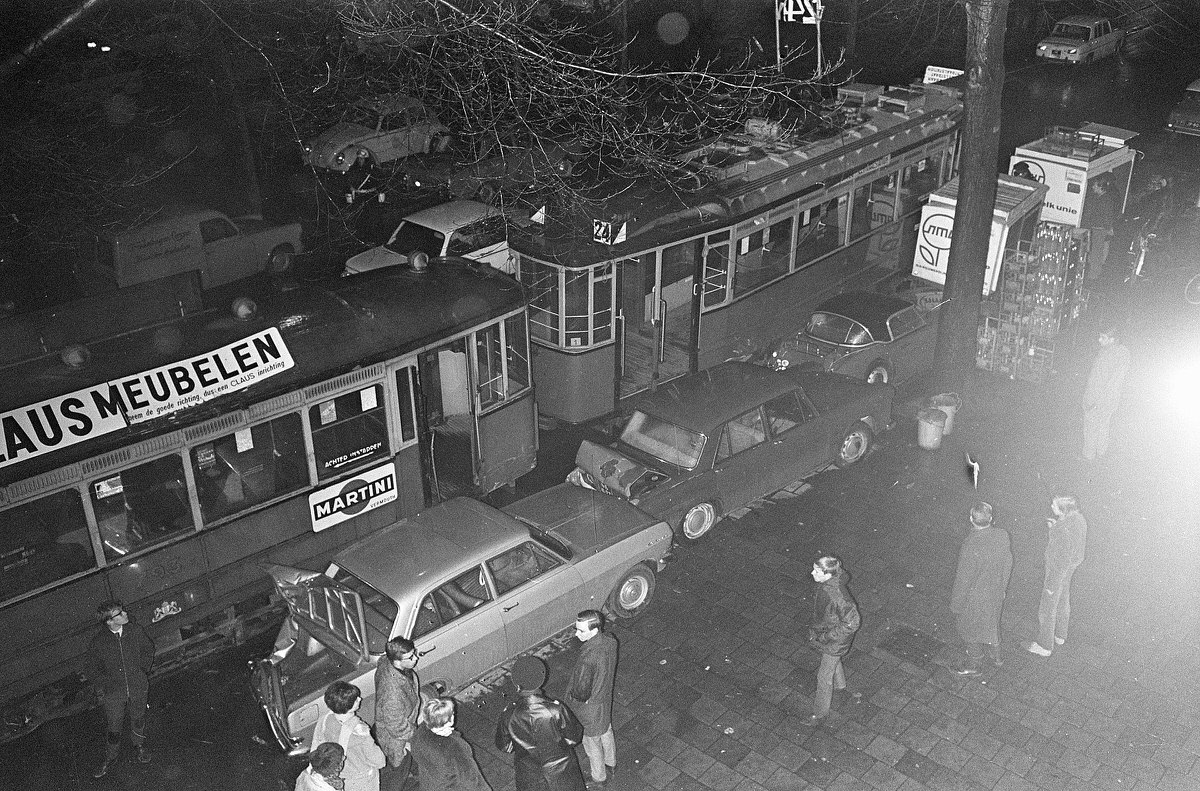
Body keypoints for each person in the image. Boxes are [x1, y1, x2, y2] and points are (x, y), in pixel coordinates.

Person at [495, 655, 586, 791]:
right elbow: (574, 736)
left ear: (517, 684)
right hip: (563, 772)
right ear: (541, 680)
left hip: (529, 776)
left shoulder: (509, 714)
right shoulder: (555, 709)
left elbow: (504, 746)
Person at [85, 599, 155, 778]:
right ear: (109, 621)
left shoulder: (135, 630)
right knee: (114, 726)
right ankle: (111, 757)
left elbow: (149, 649)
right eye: (120, 614)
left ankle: (139, 745)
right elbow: (92, 670)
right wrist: (107, 684)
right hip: (114, 693)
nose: (125, 614)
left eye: (123, 611)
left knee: (138, 718)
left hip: (138, 685)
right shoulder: (99, 642)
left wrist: (142, 671)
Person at [949, 502, 1013, 675]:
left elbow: (964, 579)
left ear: (971, 520)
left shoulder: (971, 545)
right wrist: (1003, 587)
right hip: (996, 591)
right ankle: (997, 657)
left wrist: (956, 604)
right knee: (991, 624)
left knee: (968, 628)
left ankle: (974, 664)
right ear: (991, 518)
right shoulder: (1002, 535)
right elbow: (1008, 563)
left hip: (976, 596)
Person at [1027, 494, 1088, 657]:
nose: (1051, 506)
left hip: (1057, 573)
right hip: (1070, 569)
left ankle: (1044, 645)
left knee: (1047, 607)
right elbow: (1072, 544)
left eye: (1055, 505)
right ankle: (1060, 635)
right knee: (1063, 601)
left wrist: (1051, 586)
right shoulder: (1078, 519)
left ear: (1063, 509)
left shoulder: (1062, 529)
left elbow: (1060, 556)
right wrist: (1056, 526)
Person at [806, 555, 861, 724]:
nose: (812, 573)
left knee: (823, 677)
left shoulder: (837, 595)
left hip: (835, 639)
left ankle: (820, 713)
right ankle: (841, 686)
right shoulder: (829, 585)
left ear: (828, 575)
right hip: (831, 635)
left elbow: (852, 622)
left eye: (817, 571)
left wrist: (826, 636)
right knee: (832, 660)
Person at [566, 610, 618, 787]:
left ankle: (599, 778)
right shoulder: (610, 641)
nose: (577, 634)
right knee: (606, 731)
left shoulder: (588, 657)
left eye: (581, 630)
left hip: (590, 709)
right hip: (604, 700)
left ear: (594, 630)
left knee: (591, 743)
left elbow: (580, 692)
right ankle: (610, 764)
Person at [313, 681, 386, 791]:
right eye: (356, 699)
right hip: (362, 780)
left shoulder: (325, 720)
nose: (360, 699)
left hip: (341, 777)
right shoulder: (360, 732)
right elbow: (379, 761)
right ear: (347, 706)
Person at [409, 697, 492, 791]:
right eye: (452, 713)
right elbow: (472, 779)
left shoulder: (418, 734)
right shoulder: (454, 747)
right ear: (450, 719)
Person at [375, 637, 421, 791]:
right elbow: (396, 727)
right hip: (396, 740)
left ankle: (415, 772)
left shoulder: (388, 663)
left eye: (414, 653)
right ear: (397, 661)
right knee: (398, 773)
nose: (416, 658)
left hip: (397, 728)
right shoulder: (392, 693)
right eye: (410, 657)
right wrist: (415, 736)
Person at [1081, 326, 1130, 461]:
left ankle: (1088, 455)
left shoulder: (1112, 355)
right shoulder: (1117, 353)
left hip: (1099, 400)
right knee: (1103, 426)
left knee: (1091, 427)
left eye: (1103, 337)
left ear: (1112, 339)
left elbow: (1109, 383)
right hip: (1108, 401)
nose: (1099, 340)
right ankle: (1101, 453)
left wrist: (1095, 401)